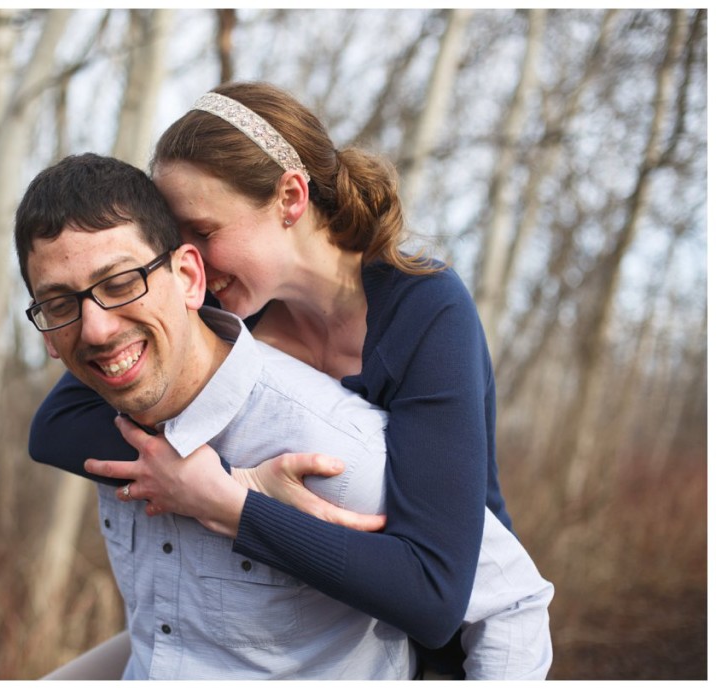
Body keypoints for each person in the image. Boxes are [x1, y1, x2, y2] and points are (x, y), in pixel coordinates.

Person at [28, 82, 548, 679]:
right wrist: (215, 475)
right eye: (177, 241)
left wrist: (232, 502)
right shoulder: (232, 303)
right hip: (282, 615)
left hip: (441, 640)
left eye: (203, 231)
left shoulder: (426, 310)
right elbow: (58, 427)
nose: (190, 262)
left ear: (290, 198)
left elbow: (435, 590)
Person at [16, 153, 416, 680]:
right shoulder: (110, 419)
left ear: (188, 276)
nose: (95, 329)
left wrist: (233, 496)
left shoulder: (335, 450)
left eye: (121, 283)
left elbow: (502, 603)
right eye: (60, 304)